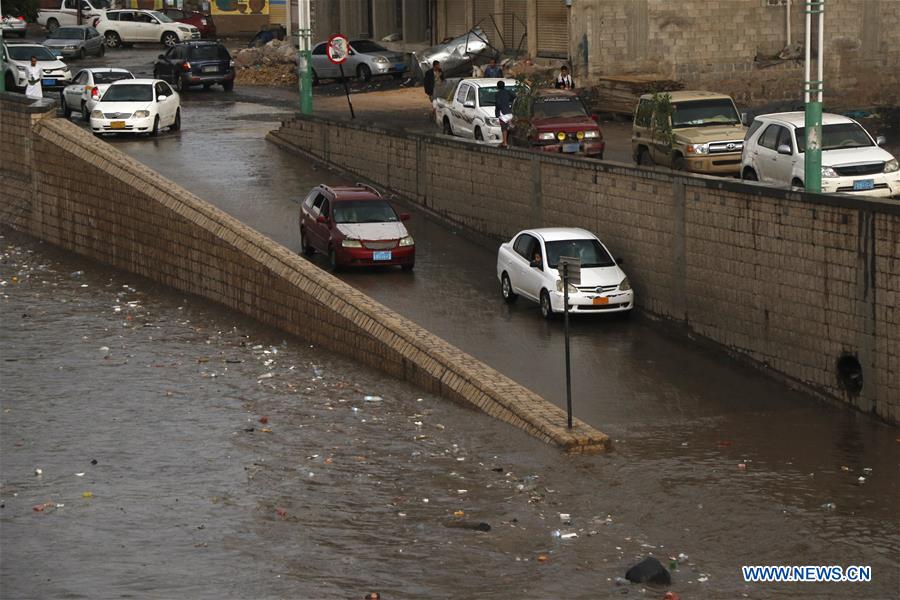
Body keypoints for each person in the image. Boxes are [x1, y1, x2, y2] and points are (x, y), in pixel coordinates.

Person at [494, 79, 514, 148]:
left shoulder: (497, 94)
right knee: (508, 127)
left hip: (502, 112)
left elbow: (498, 104)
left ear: (497, 87)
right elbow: (514, 96)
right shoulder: (508, 92)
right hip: (509, 111)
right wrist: (510, 101)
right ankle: (505, 141)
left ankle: (505, 142)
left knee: (504, 128)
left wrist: (497, 113)